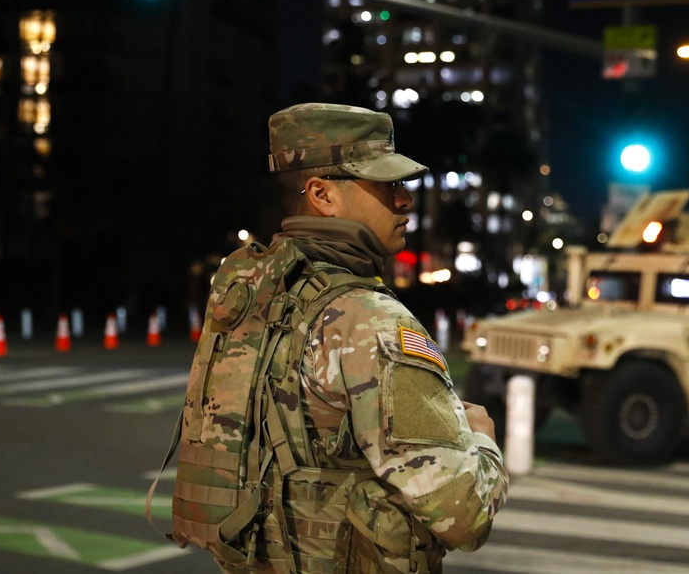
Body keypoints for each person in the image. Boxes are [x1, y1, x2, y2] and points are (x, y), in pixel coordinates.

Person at [187, 102, 508, 573]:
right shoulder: (368, 320)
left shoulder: (249, 298)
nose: (404, 200)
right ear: (322, 194)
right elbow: (463, 516)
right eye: (385, 184)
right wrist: (483, 444)